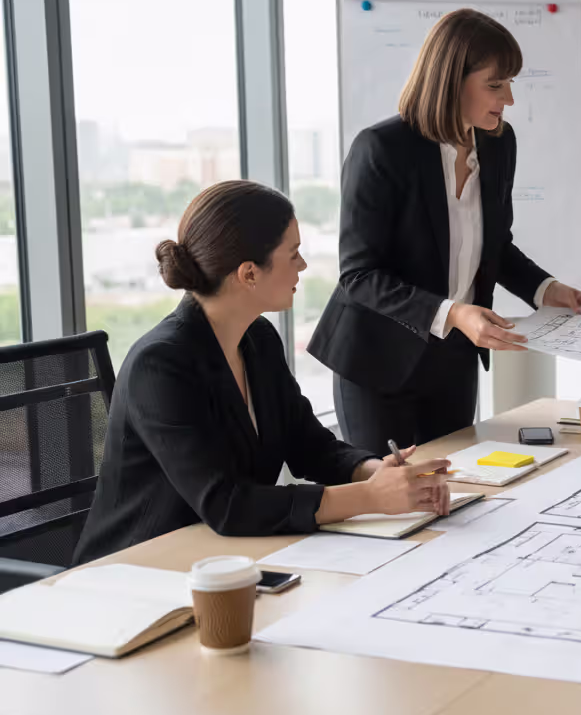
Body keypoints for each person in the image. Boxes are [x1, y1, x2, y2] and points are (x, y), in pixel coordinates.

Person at [74, 181, 456, 564]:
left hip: (223, 559)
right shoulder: (159, 365)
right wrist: (370, 498)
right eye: (294, 254)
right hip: (134, 574)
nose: (303, 266)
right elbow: (227, 505)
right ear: (249, 274)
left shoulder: (257, 338)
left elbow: (309, 446)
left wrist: (376, 473)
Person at [307, 8, 581, 453]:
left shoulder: (499, 142)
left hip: (452, 359)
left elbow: (494, 244)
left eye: (510, 83)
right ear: (450, 81)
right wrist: (455, 312)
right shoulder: (381, 150)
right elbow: (359, 276)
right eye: (496, 85)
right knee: (393, 500)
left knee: (456, 487)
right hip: (376, 359)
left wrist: (545, 289)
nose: (509, 99)